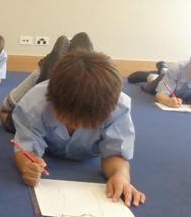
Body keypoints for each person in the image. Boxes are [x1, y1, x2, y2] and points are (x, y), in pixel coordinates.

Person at [12, 51, 145, 207]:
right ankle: (45, 69)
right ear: (53, 102)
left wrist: (120, 175)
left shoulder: (117, 107)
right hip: (40, 130)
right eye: (68, 119)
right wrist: (27, 165)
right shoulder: (35, 103)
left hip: (83, 150)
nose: (76, 126)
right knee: (7, 120)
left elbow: (115, 153)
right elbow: (26, 148)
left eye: (87, 123)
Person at [0, 32, 94, 133]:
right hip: (60, 104)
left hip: (48, 104)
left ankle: (51, 67)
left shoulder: (43, 89)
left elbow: (6, 109)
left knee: (7, 113)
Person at [127, 45, 191, 112]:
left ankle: (163, 68)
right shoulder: (177, 69)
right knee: (150, 87)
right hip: (165, 79)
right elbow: (160, 95)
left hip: (176, 82)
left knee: (166, 73)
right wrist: (168, 101)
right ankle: (151, 76)